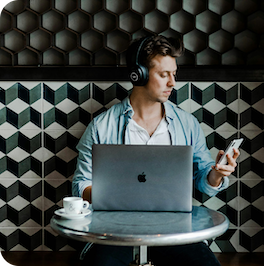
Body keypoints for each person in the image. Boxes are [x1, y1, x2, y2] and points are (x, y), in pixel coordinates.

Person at [72, 35, 240, 266]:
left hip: (175, 232)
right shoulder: (102, 126)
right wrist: (115, 197)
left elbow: (204, 182)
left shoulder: (187, 124)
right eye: (164, 75)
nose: (172, 82)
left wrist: (216, 174)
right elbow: (81, 184)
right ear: (138, 74)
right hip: (115, 233)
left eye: (174, 73)